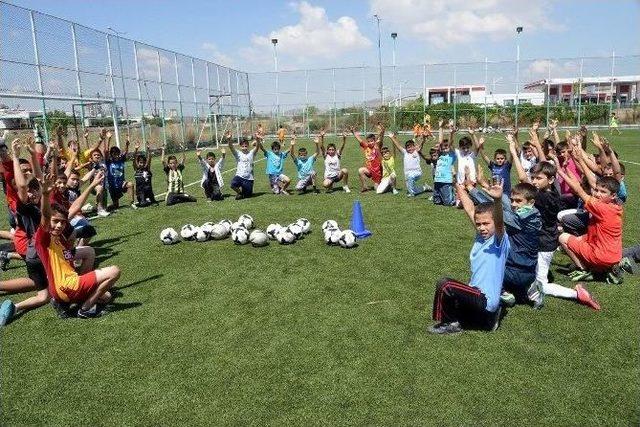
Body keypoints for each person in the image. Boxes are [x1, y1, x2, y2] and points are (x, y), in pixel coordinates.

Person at [512, 155, 600, 310]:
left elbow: (521, 180)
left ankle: (576, 294)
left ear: (551, 180)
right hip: (546, 240)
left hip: (543, 244)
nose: (534, 181)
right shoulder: (551, 194)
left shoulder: (542, 197)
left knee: (541, 284)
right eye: (533, 178)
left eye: (538, 178)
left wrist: (513, 150)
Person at [35, 171, 121, 319]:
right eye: (56, 221)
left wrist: (92, 185)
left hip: (66, 288)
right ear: (49, 221)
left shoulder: (59, 236)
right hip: (67, 286)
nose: (60, 225)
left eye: (63, 222)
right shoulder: (44, 238)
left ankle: (66, 303)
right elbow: (45, 215)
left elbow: (75, 206)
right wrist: (45, 194)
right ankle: (85, 309)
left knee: (106, 296)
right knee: (114, 271)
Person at [428, 180, 509, 334]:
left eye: (486, 223)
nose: (482, 228)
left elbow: (499, 222)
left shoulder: (499, 241)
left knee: (445, 285)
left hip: (484, 299)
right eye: (479, 224)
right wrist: (457, 185)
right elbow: (469, 208)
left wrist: (498, 200)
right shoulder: (481, 236)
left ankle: (450, 324)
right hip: (476, 293)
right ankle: (488, 320)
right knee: (453, 302)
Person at [556, 163, 623, 284]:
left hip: (601, 256)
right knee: (579, 239)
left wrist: (561, 170)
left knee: (562, 237)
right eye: (597, 190)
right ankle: (604, 269)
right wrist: (564, 169)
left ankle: (584, 269)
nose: (598, 194)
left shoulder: (601, 208)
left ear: (613, 196)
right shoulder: (614, 207)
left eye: (603, 192)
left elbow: (578, 190)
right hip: (614, 256)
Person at [351, 124, 384, 193]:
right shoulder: (366, 146)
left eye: (371, 141)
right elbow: (359, 139)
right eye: (368, 141)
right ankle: (365, 187)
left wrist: (382, 132)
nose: (370, 143)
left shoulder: (377, 146)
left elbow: (381, 139)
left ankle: (386, 184)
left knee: (377, 189)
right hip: (369, 170)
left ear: (374, 141)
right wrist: (353, 132)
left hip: (378, 172)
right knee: (361, 170)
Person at [389, 132, 423, 197]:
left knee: (411, 181)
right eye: (408, 147)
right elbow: (398, 146)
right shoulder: (405, 153)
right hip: (407, 174)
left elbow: (420, 145)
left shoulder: (416, 152)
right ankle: (424, 188)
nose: (409, 149)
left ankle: (412, 194)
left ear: (414, 147)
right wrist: (392, 137)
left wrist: (423, 138)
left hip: (417, 172)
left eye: (411, 147)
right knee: (410, 188)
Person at [228, 131, 258, 200]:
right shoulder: (238, 153)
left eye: (246, 146)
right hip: (239, 176)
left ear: (248, 146)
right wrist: (229, 139)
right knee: (233, 184)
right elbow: (231, 147)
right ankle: (240, 193)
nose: (244, 148)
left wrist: (257, 139)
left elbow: (257, 147)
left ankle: (245, 191)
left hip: (249, 178)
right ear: (240, 146)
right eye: (243, 146)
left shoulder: (251, 153)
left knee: (248, 195)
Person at [106, 138, 135, 210]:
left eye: (117, 153)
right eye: (114, 154)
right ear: (111, 155)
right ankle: (107, 207)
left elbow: (125, 152)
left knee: (130, 184)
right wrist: (109, 139)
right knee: (116, 206)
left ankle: (132, 203)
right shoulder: (109, 162)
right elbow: (106, 151)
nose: (116, 155)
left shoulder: (121, 160)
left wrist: (127, 145)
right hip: (112, 187)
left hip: (122, 184)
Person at [432, 120, 456, 205]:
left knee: (448, 202)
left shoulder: (451, 155)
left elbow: (450, 143)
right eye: (443, 146)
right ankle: (446, 195)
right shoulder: (440, 155)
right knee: (437, 201)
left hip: (446, 181)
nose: (445, 147)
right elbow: (440, 141)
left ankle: (455, 197)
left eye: (447, 146)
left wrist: (451, 133)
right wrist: (440, 127)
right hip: (437, 180)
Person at [132, 142, 157, 207]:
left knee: (154, 202)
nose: (142, 164)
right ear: (137, 163)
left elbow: (149, 158)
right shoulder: (136, 170)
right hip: (140, 192)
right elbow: (134, 158)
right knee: (143, 204)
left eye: (143, 162)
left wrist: (148, 149)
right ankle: (143, 200)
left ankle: (151, 199)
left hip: (148, 191)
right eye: (140, 162)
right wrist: (136, 149)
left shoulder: (147, 169)